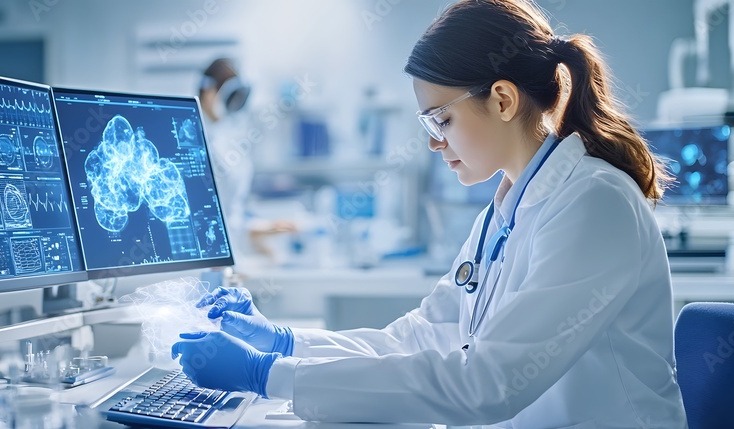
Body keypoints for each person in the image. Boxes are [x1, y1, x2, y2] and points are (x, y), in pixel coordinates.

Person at [172, 1, 688, 426]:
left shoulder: (594, 204)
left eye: (442, 119)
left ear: (503, 100)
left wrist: (267, 376)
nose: (433, 142)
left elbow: (488, 384)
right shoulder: (505, 211)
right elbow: (415, 338)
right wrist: (285, 343)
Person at [198, 58, 296, 264]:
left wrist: (263, 227)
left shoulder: (228, 140)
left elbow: (234, 211)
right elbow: (208, 217)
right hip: (211, 257)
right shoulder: (197, 142)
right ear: (209, 94)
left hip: (233, 255)